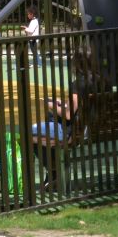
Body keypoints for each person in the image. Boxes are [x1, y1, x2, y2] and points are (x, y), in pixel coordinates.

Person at [30, 44, 103, 188]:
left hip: (74, 132)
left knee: (30, 133)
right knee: (47, 130)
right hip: (96, 128)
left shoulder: (78, 84)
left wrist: (51, 105)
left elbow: (69, 115)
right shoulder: (102, 81)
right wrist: (62, 103)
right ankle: (53, 173)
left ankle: (53, 171)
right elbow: (81, 105)